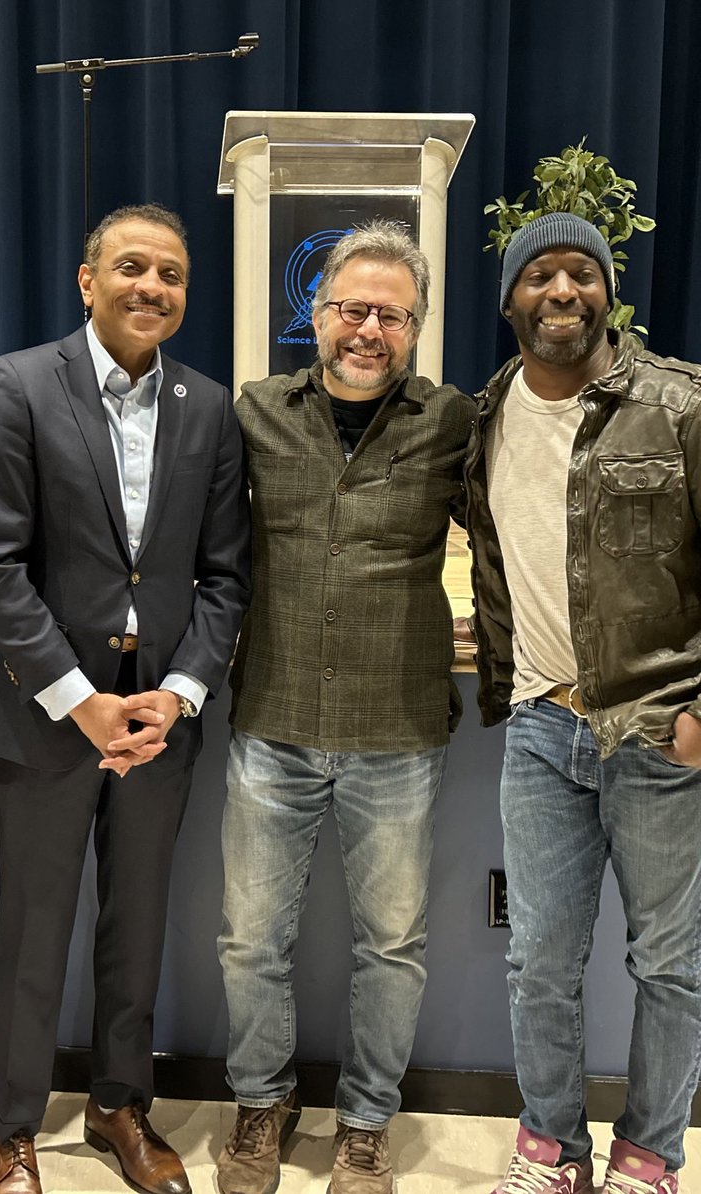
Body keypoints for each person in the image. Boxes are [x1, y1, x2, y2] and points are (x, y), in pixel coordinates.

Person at [468, 212, 701, 1194]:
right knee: (538, 965)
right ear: (510, 299)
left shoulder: (688, 403)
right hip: (539, 730)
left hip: (665, 733)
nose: (561, 292)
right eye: (540, 276)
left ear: (607, 292)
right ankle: (551, 1150)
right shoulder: (486, 414)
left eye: (581, 274)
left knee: (667, 966)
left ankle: (649, 1158)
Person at [0, 203, 252, 1194]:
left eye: (172, 275)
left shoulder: (211, 409)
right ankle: (12, 1129)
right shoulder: (17, 385)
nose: (153, 288)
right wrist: (79, 698)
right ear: (87, 281)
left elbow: (224, 577)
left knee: (139, 925)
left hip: (158, 721)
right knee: (35, 929)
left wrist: (175, 697)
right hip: (49, 714)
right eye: (133, 268)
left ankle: (119, 1107)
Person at [216, 220, 474, 1194]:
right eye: (351, 309)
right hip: (273, 721)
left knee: (392, 946)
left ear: (415, 327)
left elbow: (509, 533)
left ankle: (366, 1124)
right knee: (249, 940)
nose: (369, 328)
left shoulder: (450, 422)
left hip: (397, 729)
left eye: (391, 315)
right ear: (314, 314)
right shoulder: (255, 414)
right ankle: (259, 1102)